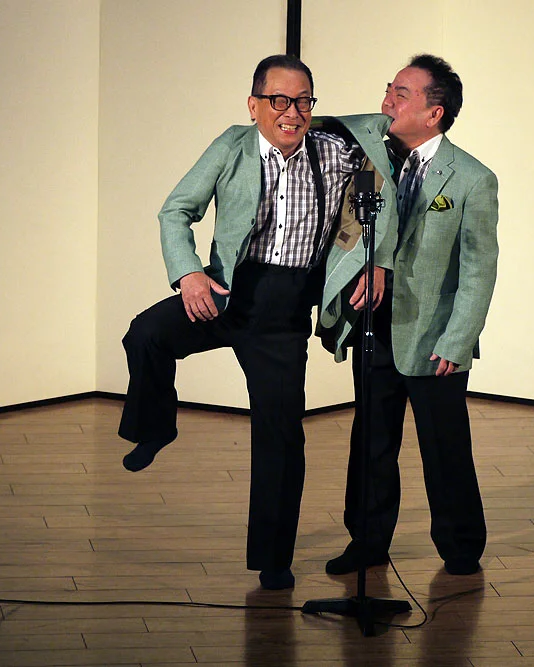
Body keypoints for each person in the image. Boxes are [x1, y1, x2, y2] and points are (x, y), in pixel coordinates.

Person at [117, 54, 396, 590]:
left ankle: (274, 558)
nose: (292, 112)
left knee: (281, 435)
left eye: (303, 101)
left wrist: (376, 256)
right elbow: (176, 210)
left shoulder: (334, 151)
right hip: (225, 294)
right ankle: (155, 428)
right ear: (254, 105)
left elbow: (377, 181)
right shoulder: (233, 146)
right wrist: (189, 274)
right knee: (146, 333)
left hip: (284, 313)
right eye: (279, 100)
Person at [324, 54, 499, 577]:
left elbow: (478, 269)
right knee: (371, 442)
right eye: (389, 89)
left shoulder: (473, 179)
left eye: (401, 94)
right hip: (374, 326)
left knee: (445, 446)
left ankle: (461, 546)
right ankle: (367, 541)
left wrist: (458, 339)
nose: (387, 101)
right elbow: (349, 234)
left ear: (434, 113)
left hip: (434, 336)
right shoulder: (370, 164)